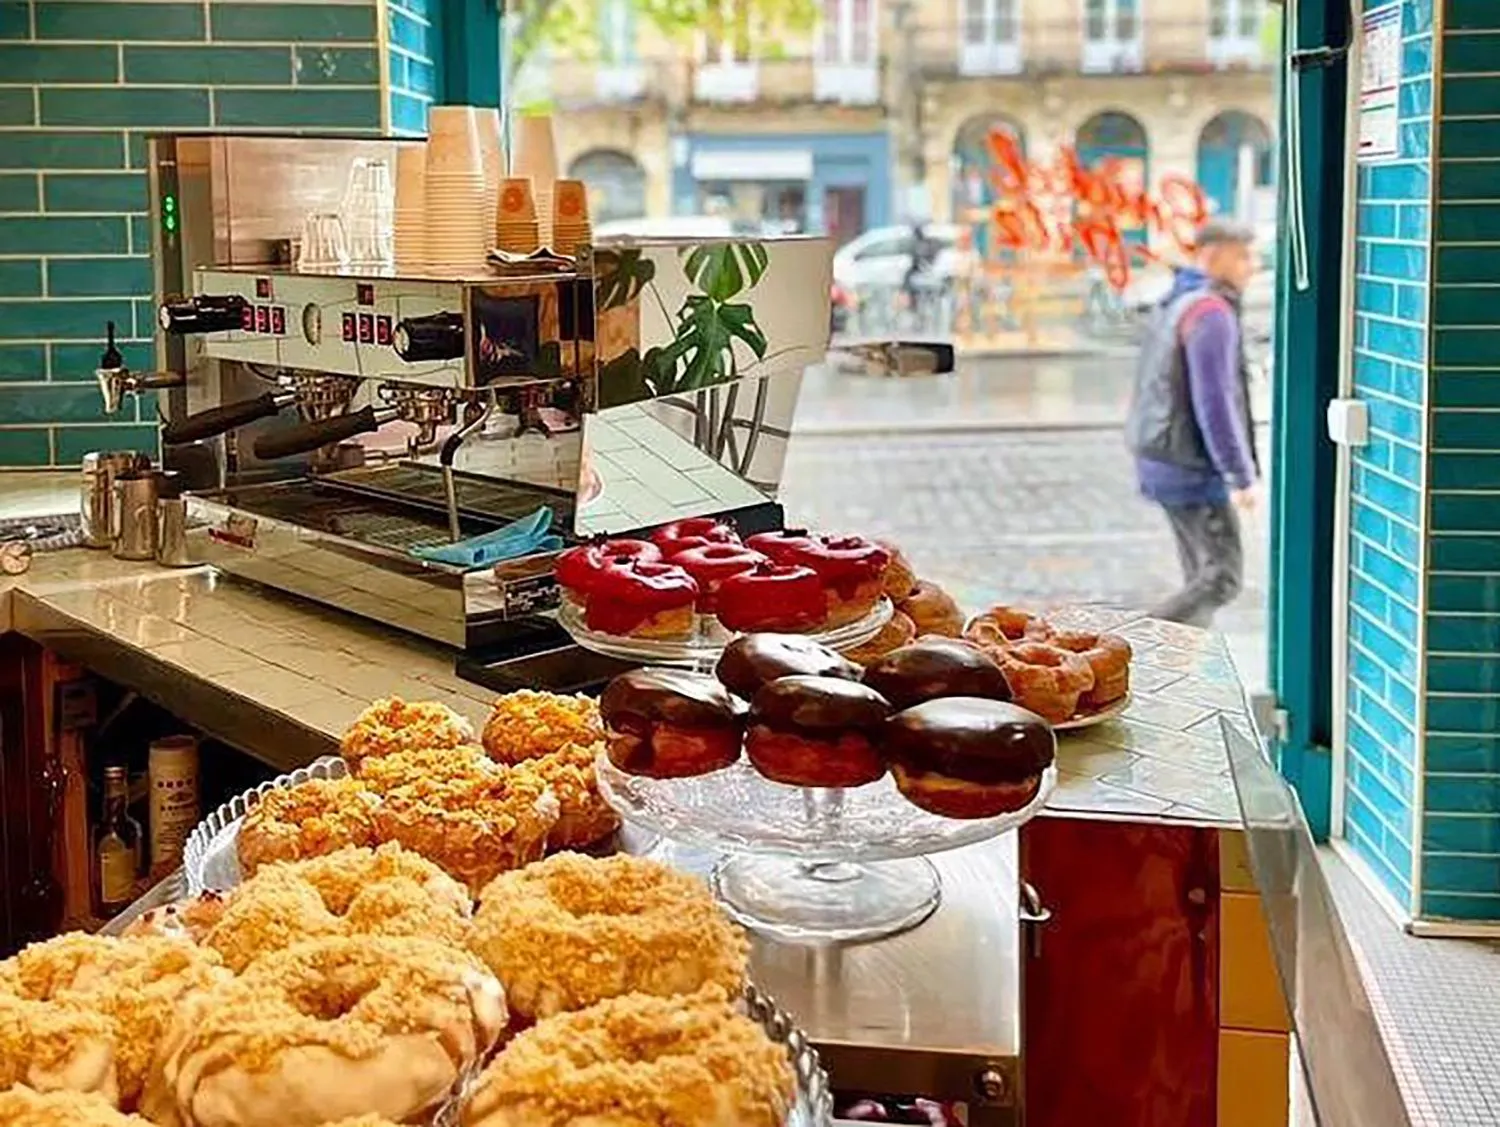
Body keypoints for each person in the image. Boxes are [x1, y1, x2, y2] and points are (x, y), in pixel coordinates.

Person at [1125, 219, 1260, 628]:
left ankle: (1189, 674)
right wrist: (1239, 474)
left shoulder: (1179, 302)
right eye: (1242, 256)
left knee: (1197, 579)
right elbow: (1215, 402)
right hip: (1189, 465)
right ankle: (1143, 641)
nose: (1251, 267)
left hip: (1161, 454)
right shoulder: (1211, 313)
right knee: (1222, 578)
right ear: (1212, 256)